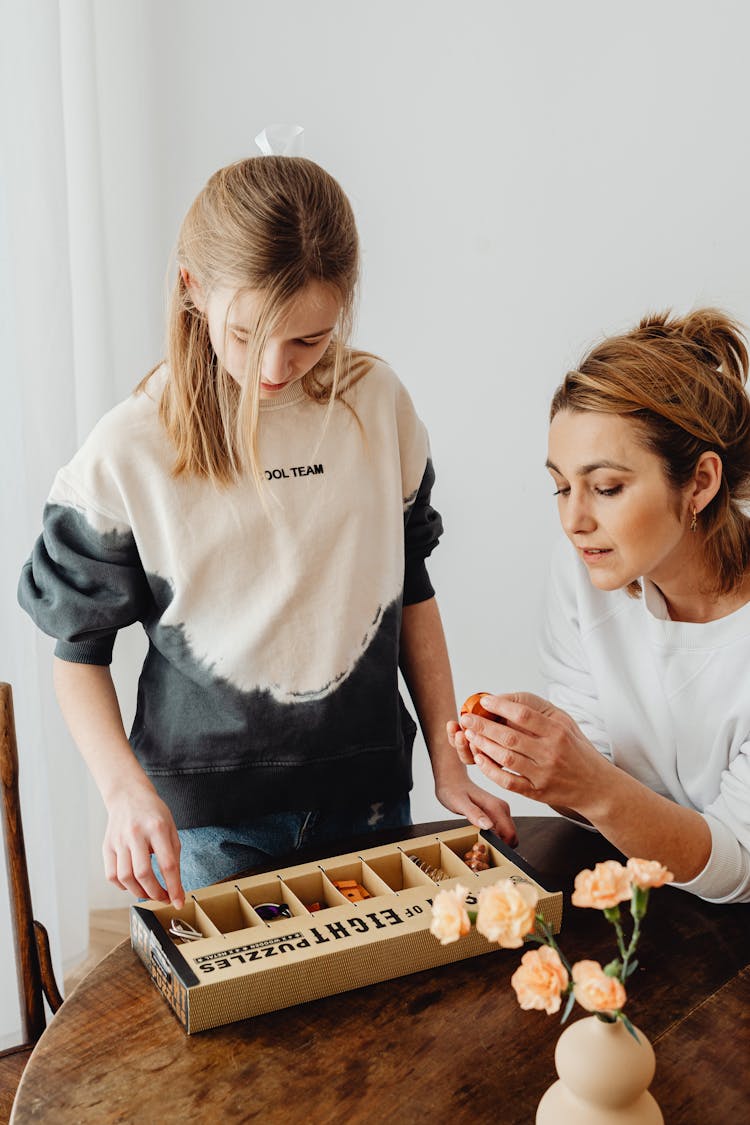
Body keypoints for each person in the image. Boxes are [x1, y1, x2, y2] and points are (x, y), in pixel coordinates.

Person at [19, 145, 514, 909]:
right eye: (247, 336)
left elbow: (411, 585)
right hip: (207, 829)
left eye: (309, 340)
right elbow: (76, 652)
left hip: (371, 794)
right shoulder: (129, 450)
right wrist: (122, 793)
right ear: (193, 289)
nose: (275, 369)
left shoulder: (378, 405)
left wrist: (450, 759)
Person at [450, 308, 750, 903]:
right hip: (649, 907)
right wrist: (541, 761)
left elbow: (738, 869)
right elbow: (602, 786)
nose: (572, 520)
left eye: (606, 488)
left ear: (700, 482)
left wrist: (587, 783)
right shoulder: (590, 572)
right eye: (561, 486)